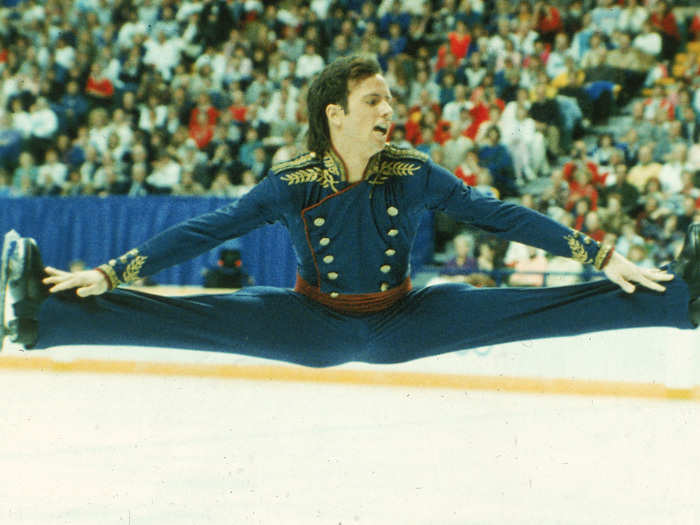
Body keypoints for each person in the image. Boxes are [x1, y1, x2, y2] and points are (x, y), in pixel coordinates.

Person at [3, 56, 699, 365]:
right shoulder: (294, 181)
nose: (389, 111)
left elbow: (500, 214)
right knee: (202, 313)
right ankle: (44, 315)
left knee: (515, 304)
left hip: (403, 319)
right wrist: (114, 270)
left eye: (390, 100)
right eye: (374, 101)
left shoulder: (413, 171)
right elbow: (207, 228)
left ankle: (679, 298)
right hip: (310, 321)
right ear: (334, 114)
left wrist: (599, 252)